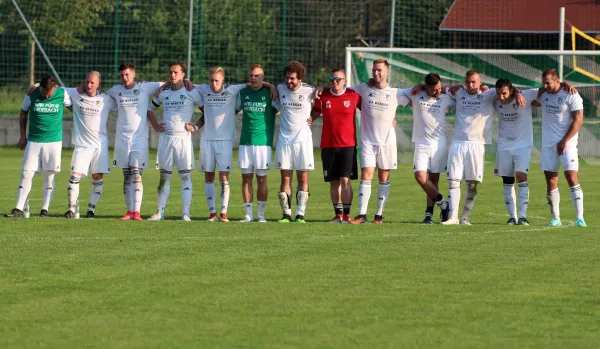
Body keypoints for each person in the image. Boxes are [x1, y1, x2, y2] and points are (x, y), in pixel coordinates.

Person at [441, 69, 525, 225]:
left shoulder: (490, 93)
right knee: (453, 181)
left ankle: (464, 218)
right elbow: (439, 87)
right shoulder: (459, 92)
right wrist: (420, 86)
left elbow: (508, 88)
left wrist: (519, 93)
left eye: (474, 82)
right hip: (458, 143)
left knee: (472, 184)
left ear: (480, 82)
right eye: (468, 82)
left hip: (477, 144)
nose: (470, 85)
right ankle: (452, 217)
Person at [349, 59, 410, 224]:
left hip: (387, 142)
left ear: (387, 71)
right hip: (368, 140)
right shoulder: (363, 88)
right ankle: (361, 215)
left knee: (383, 177)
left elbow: (418, 95)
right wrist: (320, 89)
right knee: (366, 175)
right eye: (374, 70)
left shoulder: (397, 92)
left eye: (380, 70)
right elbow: (342, 92)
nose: (376, 73)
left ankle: (378, 215)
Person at [6, 75, 72, 218]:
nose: (46, 96)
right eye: (43, 92)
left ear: (54, 88)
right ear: (40, 88)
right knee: (26, 173)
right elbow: (23, 113)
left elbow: (76, 100)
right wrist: (23, 136)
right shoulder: (32, 94)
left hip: (54, 142)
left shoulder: (62, 94)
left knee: (49, 175)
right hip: (34, 141)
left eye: (49, 93)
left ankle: (45, 209)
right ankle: (18, 208)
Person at [107, 62, 165, 221]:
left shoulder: (145, 87)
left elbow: (171, 82)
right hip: (122, 139)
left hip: (139, 139)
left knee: (137, 174)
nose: (124, 78)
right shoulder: (115, 90)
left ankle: (137, 212)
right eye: (122, 75)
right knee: (126, 175)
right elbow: (98, 96)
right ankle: (129, 211)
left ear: (134, 74)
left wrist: (187, 82)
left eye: (127, 74)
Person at [146, 61, 203, 221]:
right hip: (166, 139)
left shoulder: (192, 91)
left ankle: (186, 213)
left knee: (185, 176)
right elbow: (150, 109)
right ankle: (159, 212)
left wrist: (196, 127)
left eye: (176, 72)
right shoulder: (163, 93)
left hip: (183, 140)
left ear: (183, 74)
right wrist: (156, 126)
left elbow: (206, 112)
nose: (173, 75)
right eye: (171, 72)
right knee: (164, 177)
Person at [399, 73, 452, 224]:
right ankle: (444, 204)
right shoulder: (416, 94)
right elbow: (397, 93)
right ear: (426, 87)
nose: (438, 92)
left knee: (433, 180)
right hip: (421, 144)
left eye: (439, 88)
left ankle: (429, 214)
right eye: (434, 89)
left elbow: (461, 94)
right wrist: (419, 87)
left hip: (438, 144)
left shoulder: (445, 97)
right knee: (420, 177)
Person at [63, 71, 117, 218]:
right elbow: (55, 90)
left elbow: (125, 104)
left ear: (98, 84)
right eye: (87, 81)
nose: (89, 85)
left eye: (92, 82)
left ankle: (91, 210)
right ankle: (71, 209)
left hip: (100, 146)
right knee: (74, 177)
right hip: (82, 145)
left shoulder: (106, 99)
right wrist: (36, 85)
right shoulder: (76, 94)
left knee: (97, 177)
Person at [310, 68, 360, 223]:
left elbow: (370, 110)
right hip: (328, 145)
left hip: (348, 145)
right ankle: (338, 215)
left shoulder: (353, 96)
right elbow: (314, 112)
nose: (335, 82)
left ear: (344, 80)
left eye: (338, 79)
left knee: (346, 180)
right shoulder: (323, 96)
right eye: (332, 79)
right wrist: (309, 119)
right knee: (334, 181)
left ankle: (347, 215)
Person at [537, 68, 586, 227]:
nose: (545, 86)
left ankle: (580, 218)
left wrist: (564, 141)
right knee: (551, 180)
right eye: (543, 83)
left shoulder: (571, 95)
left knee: (571, 177)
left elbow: (578, 120)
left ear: (557, 81)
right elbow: (520, 94)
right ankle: (555, 218)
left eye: (548, 83)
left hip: (568, 144)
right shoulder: (543, 94)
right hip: (548, 144)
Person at [273, 61, 315, 223]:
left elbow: (321, 102)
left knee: (303, 178)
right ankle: (286, 214)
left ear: (301, 78)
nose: (289, 81)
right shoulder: (280, 88)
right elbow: (266, 86)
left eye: (292, 79)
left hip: (303, 141)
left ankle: (300, 215)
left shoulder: (310, 91)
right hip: (284, 140)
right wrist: (270, 86)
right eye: (287, 78)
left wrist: (314, 117)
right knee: (285, 178)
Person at [493, 79, 538, 225]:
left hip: (523, 145)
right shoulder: (494, 99)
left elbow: (546, 90)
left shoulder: (527, 95)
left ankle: (523, 216)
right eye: (498, 93)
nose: (501, 97)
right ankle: (513, 216)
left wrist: (565, 85)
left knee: (521, 176)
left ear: (511, 90)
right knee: (507, 180)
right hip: (504, 146)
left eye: (504, 93)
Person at [236, 64, 277, 223]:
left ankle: (261, 214)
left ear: (262, 78)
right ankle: (248, 214)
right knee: (246, 178)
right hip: (245, 142)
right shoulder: (243, 93)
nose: (253, 78)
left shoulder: (270, 93)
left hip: (263, 143)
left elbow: (284, 106)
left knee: (261, 179)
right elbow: (233, 108)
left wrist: (271, 86)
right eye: (251, 75)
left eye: (257, 76)